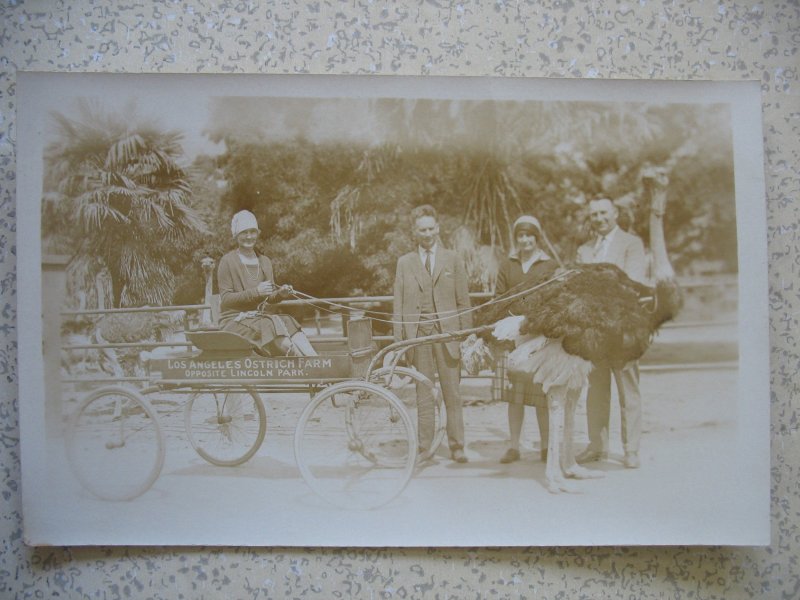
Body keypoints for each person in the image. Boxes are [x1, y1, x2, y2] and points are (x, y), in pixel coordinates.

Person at [392, 205, 473, 463]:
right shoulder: (404, 263)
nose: (427, 234)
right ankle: (425, 447)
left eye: (430, 228)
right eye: (421, 230)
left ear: (437, 229)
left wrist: (465, 337)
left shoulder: (453, 259)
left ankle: (457, 445)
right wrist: (400, 343)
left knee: (452, 393)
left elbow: (464, 302)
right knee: (423, 395)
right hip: (419, 338)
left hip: (448, 337)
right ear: (414, 233)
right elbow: (398, 305)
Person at [575, 198, 647, 469]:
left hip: (623, 328)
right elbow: (579, 287)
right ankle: (597, 446)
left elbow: (631, 284)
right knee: (595, 389)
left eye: (603, 212)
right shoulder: (584, 250)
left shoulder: (632, 244)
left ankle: (631, 449)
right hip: (594, 331)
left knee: (628, 388)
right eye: (594, 214)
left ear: (615, 214)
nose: (599, 218)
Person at [495, 215, 560, 465]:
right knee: (515, 396)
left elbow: (555, 300)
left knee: (542, 395)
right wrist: (509, 324)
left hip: (539, 338)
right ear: (516, 238)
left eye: (529, 235)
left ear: (537, 237)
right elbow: (498, 298)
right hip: (513, 337)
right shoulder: (507, 265)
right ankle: (514, 446)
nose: (525, 240)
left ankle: (546, 447)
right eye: (520, 235)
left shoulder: (549, 265)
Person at [217, 210, 317, 357]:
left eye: (253, 231)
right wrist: (256, 292)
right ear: (236, 235)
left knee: (288, 321)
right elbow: (226, 299)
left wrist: (280, 294)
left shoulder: (265, 261)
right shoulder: (227, 261)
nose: (249, 236)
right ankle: (304, 365)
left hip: (259, 318)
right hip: (234, 321)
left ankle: (318, 361)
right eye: (244, 232)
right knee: (269, 325)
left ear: (258, 233)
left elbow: (269, 298)